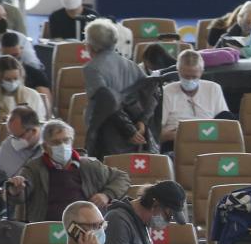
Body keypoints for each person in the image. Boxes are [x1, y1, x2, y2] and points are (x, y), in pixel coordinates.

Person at [81, 17, 146, 147]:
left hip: (108, 131)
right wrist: (141, 121)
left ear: (89, 45)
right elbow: (146, 94)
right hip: (135, 128)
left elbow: (107, 103)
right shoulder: (132, 65)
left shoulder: (91, 68)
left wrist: (128, 131)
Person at [159, 50, 230, 147]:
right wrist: (177, 135)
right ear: (178, 71)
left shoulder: (213, 89)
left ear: (201, 72)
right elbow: (156, 133)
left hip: (208, 140)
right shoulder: (167, 92)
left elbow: (225, 126)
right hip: (175, 142)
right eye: (186, 77)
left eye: (194, 77)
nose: (190, 80)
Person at [0, 55, 45, 125]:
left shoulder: (32, 95)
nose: (12, 83)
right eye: (8, 79)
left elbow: (39, 122)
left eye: (15, 79)